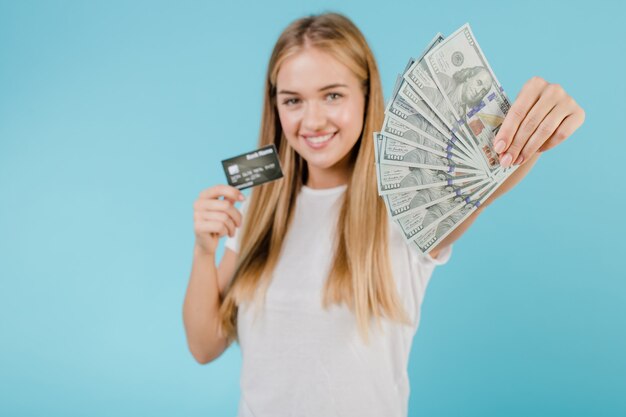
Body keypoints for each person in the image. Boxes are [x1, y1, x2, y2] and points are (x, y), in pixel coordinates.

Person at [182, 12, 585, 417]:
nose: (313, 120)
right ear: (276, 107)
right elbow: (204, 346)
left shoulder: (410, 202)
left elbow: (491, 180)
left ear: (367, 94)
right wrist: (203, 251)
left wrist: (541, 127)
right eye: (293, 100)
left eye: (333, 95)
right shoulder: (256, 211)